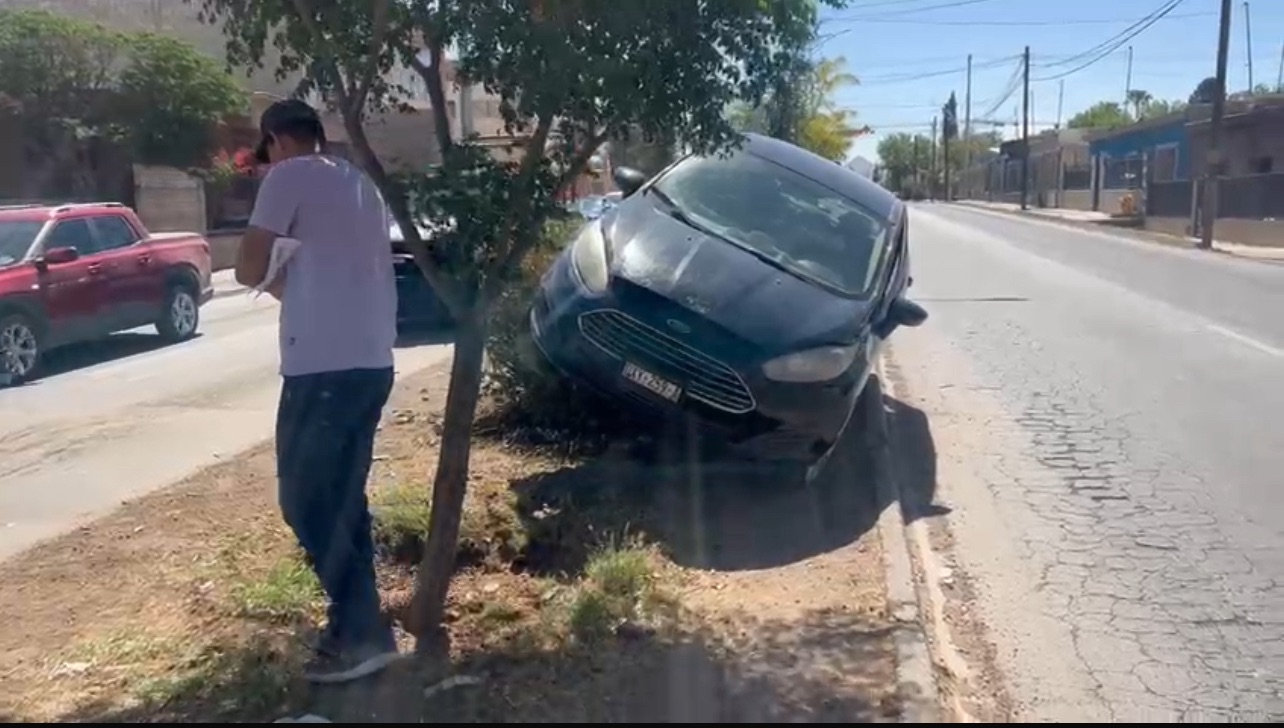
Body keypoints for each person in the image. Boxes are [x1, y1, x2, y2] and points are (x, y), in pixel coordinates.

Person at [234, 99, 400, 684]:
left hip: (322, 366)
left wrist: (266, 269)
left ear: (276, 139)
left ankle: (363, 631)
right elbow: (332, 277)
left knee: (304, 500)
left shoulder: (288, 175)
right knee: (344, 497)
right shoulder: (360, 183)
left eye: (266, 150)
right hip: (372, 360)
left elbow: (246, 268)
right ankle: (358, 623)